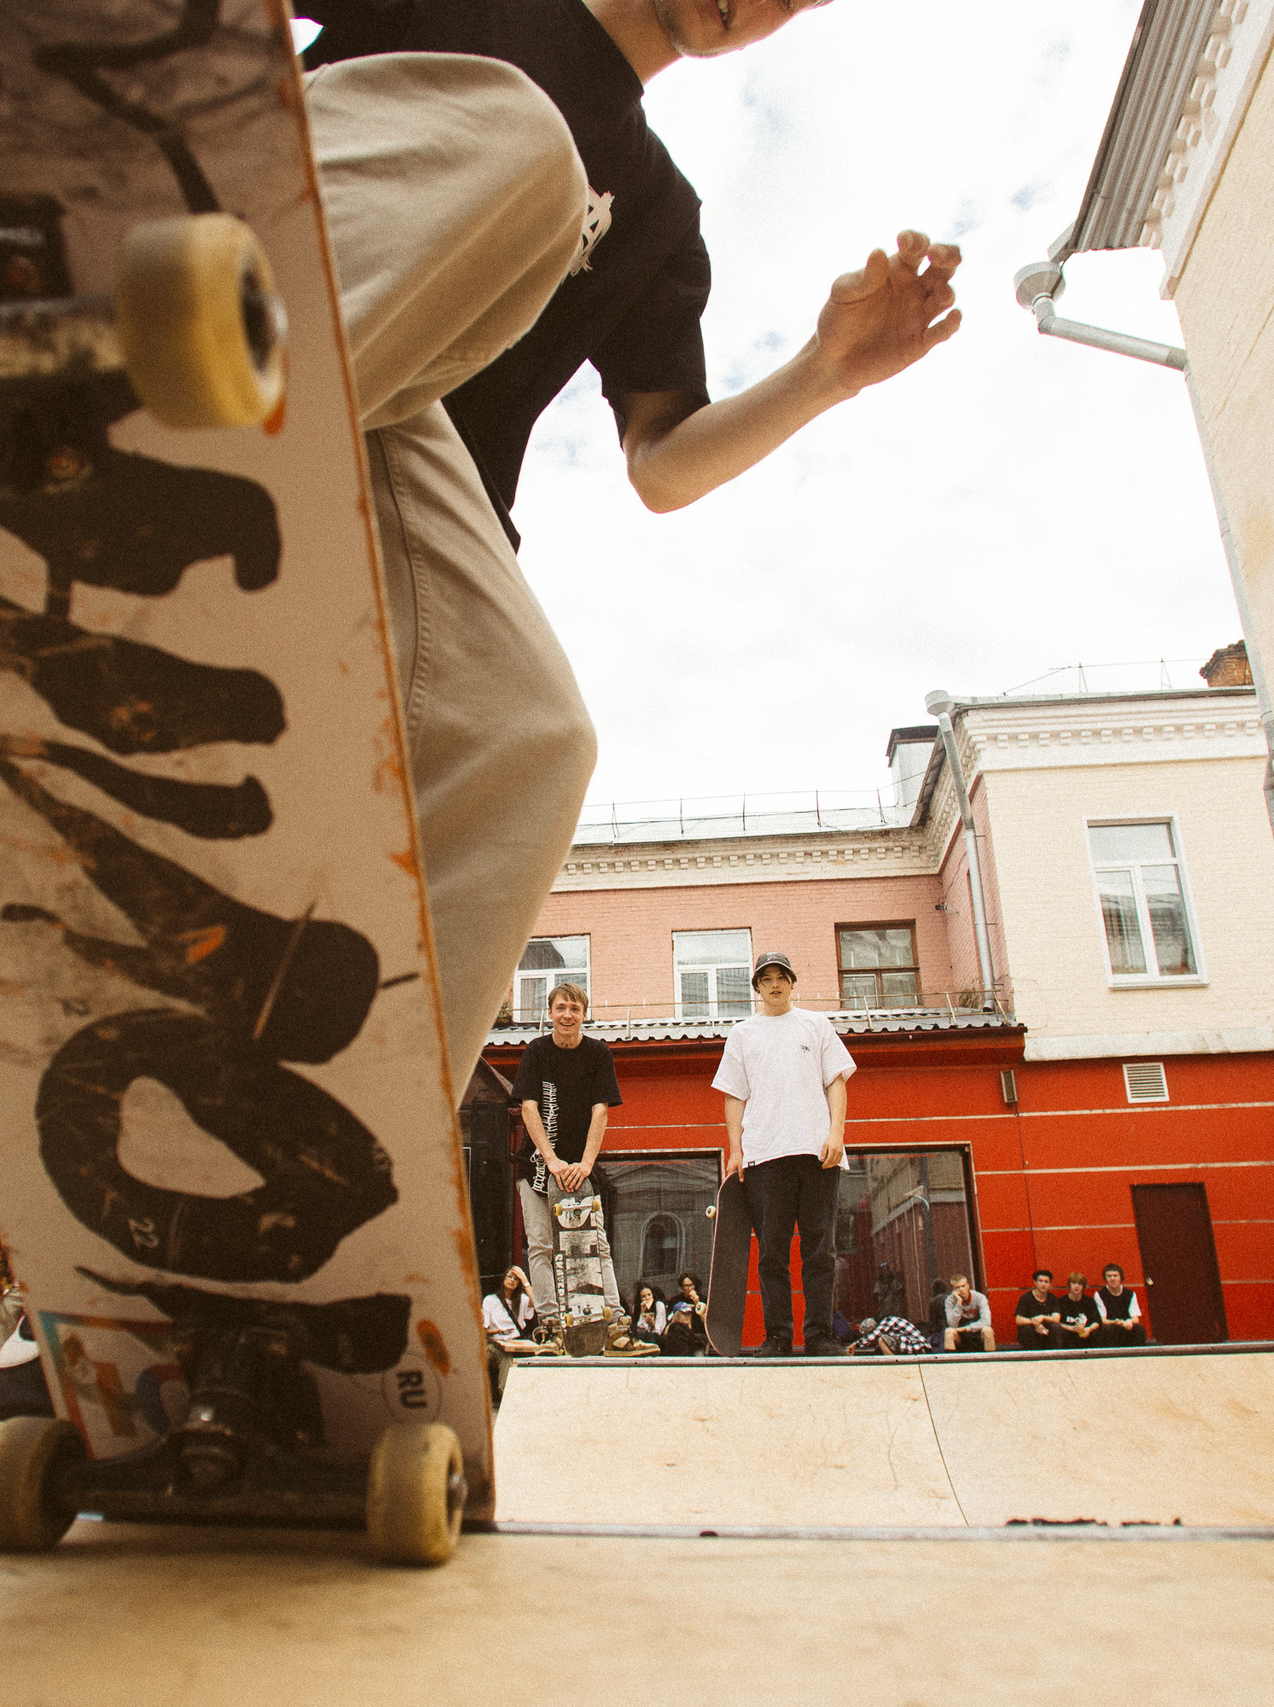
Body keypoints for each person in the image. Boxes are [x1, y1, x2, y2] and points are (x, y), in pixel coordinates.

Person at [285, 0, 962, 1096]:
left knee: (531, 738)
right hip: (253, 290)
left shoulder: (655, 208)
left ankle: (342, 1130)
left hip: (396, 477)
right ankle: (149, 430)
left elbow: (662, 463)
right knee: (523, 147)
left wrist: (823, 373)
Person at [713, 950, 855, 1356]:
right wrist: (735, 1150)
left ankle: (819, 1335)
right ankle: (777, 1335)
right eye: (766, 979)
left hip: (817, 1152)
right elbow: (734, 1096)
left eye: (781, 977)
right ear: (757, 987)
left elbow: (836, 1082)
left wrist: (836, 1133)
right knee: (772, 1252)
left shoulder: (816, 1024)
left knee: (819, 1251)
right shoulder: (743, 1033)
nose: (775, 984)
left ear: (792, 982)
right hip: (765, 1157)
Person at [511, 982, 625, 1324]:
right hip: (537, 1168)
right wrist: (551, 1159)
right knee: (542, 1245)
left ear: (584, 1015)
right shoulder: (536, 1051)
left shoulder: (598, 1054)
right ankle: (549, 1322)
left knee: (595, 1243)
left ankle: (613, 1319)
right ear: (549, 1013)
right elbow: (529, 1108)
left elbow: (600, 1110)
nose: (567, 1015)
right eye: (561, 1007)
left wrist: (586, 1164)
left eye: (574, 1009)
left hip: (579, 1170)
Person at [482, 1266, 542, 1353]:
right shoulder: (490, 1300)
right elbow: (483, 1330)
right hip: (497, 1343)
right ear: (503, 1278)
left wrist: (525, 1280)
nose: (512, 1280)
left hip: (518, 1342)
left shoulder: (523, 1299)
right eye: (510, 1276)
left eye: (516, 1279)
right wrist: (497, 1331)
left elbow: (536, 1304)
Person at [1091, 1264, 1145, 1347]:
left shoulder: (1130, 1294)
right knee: (1108, 1330)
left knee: (1139, 1329)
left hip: (1126, 1325)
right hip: (1110, 1326)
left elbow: (1135, 1319)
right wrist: (1116, 1322)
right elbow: (1102, 1320)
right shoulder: (1099, 1295)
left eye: (1115, 1276)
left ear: (1120, 1277)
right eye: (1109, 1276)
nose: (1112, 1278)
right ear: (1105, 1278)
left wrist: (1129, 1322)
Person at [941, 1274, 994, 1353]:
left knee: (988, 1331)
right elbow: (952, 1325)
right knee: (949, 1332)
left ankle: (992, 1363)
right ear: (953, 1290)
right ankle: (951, 1364)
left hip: (977, 1332)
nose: (961, 1289)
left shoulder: (979, 1297)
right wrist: (959, 1303)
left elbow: (986, 1322)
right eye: (958, 1287)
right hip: (960, 1335)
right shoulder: (949, 1301)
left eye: (963, 1286)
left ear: (968, 1286)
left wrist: (967, 1328)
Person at [1011, 1270, 1060, 1350]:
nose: (1043, 1284)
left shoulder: (1053, 1299)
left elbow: (1056, 1319)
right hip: (1031, 1331)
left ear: (1050, 1284)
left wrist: (1043, 1317)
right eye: (1040, 1281)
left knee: (1056, 1327)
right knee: (1028, 1329)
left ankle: (1055, 1356)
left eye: (1046, 1282)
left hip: (1047, 1331)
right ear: (1035, 1282)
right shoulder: (1026, 1298)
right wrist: (1036, 1324)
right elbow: (1019, 1320)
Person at [845, 1315, 930, 1357]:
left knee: (881, 1340)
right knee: (881, 1345)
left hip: (917, 1347)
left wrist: (855, 1345)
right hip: (914, 1347)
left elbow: (875, 1335)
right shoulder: (888, 1328)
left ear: (873, 1328)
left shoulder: (887, 1321)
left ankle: (892, 1364)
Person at [1054, 1273, 1098, 1348]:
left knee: (1097, 1332)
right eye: (1074, 1283)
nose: (1077, 1286)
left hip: (1085, 1334)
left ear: (1083, 1286)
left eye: (1080, 1284)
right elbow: (1057, 1322)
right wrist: (1070, 1328)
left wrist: (1089, 1329)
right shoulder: (1061, 1301)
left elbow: (1097, 1321)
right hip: (1067, 1334)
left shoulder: (1089, 1301)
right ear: (1069, 1285)